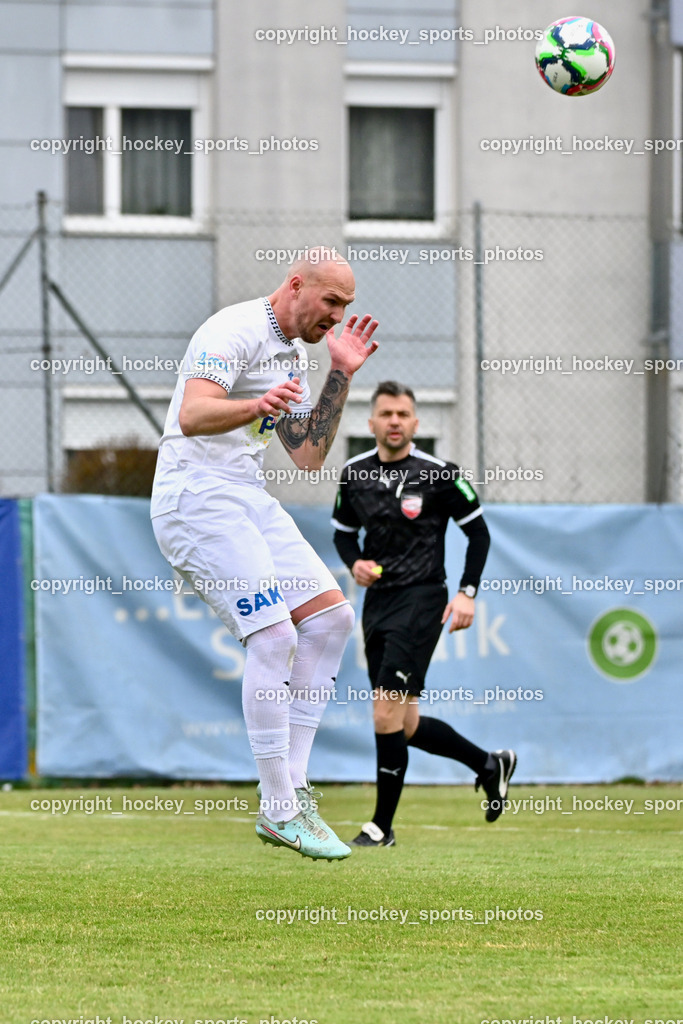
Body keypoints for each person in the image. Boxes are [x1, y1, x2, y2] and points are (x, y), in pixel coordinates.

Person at [151, 248, 379, 861]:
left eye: (346, 306)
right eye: (330, 301)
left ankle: (292, 794)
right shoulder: (233, 328)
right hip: (195, 499)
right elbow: (192, 414)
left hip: (247, 496)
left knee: (332, 619)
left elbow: (306, 455)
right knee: (275, 638)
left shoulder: (297, 355)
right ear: (296, 284)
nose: (336, 315)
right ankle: (279, 807)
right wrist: (256, 405)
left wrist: (341, 373)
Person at [331, 381, 516, 847]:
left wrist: (467, 592)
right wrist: (354, 562)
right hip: (379, 604)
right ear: (371, 423)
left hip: (423, 599)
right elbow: (343, 533)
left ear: (415, 424)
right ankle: (489, 764)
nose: (395, 421)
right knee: (404, 724)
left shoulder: (438, 473)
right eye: (386, 413)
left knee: (383, 710)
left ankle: (380, 827)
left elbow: (479, 535)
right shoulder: (354, 474)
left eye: (403, 414)